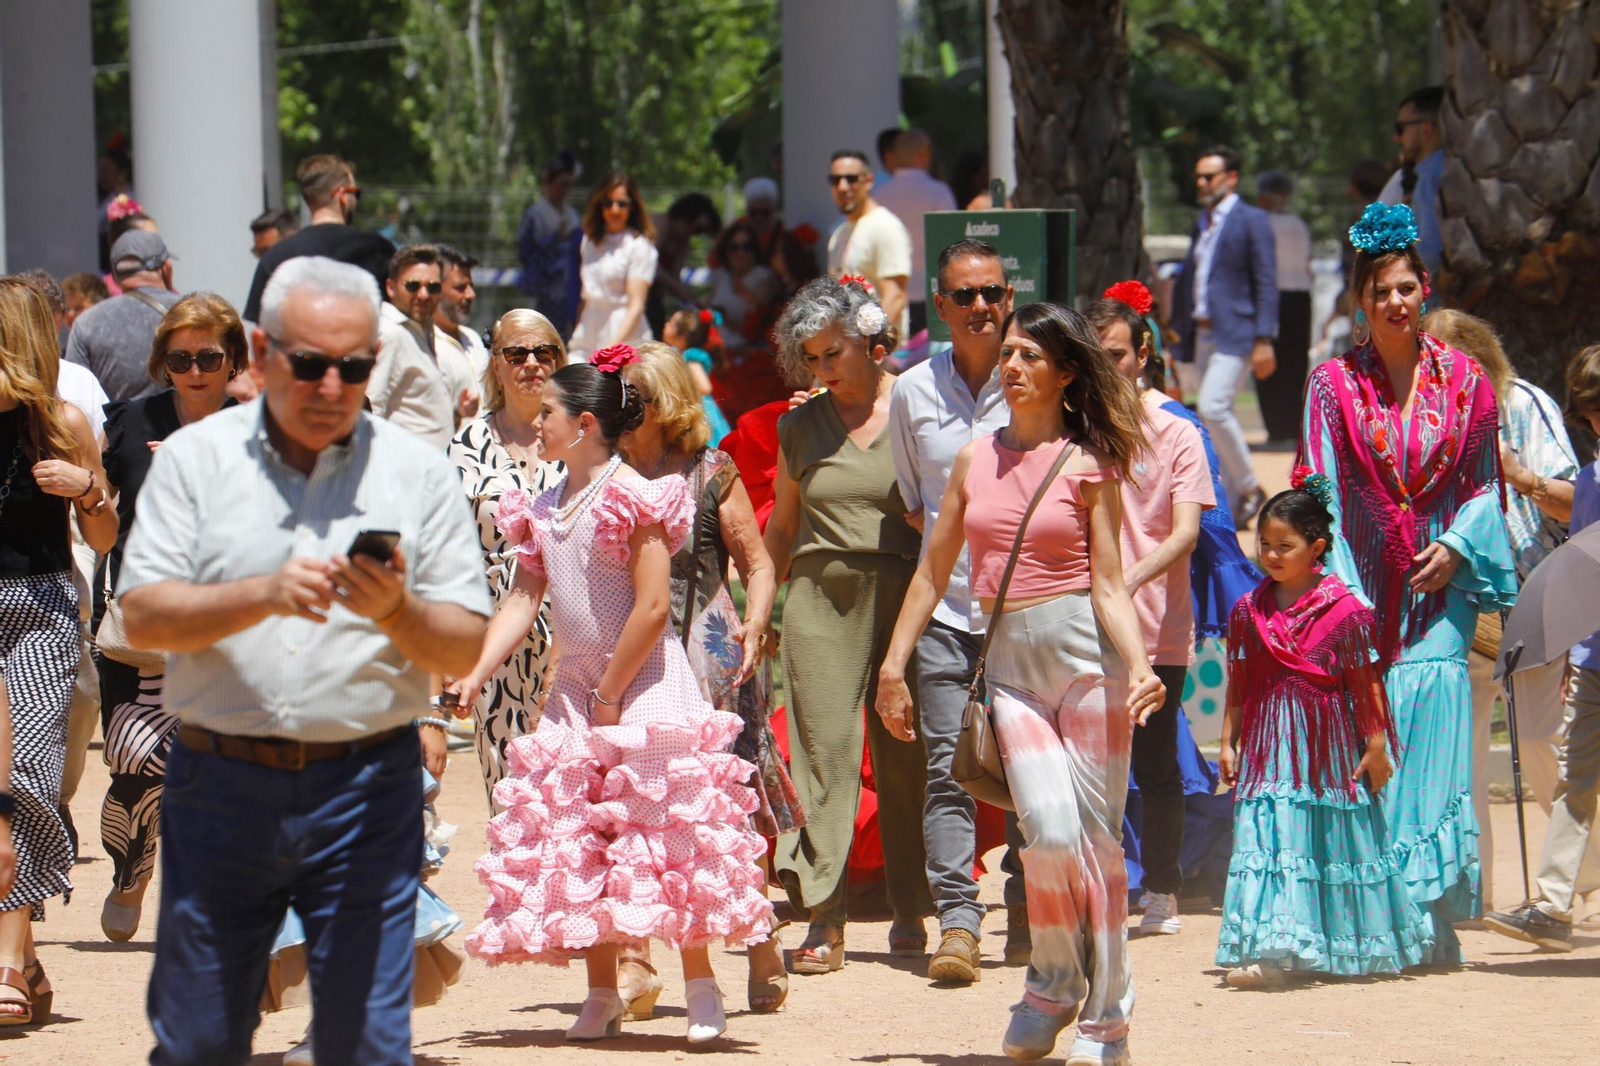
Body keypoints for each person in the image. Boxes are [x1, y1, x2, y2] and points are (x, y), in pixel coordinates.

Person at [118, 255, 490, 1064]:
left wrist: (397, 610)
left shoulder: (418, 472)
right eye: (310, 364)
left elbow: (465, 641)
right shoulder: (194, 460)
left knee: (363, 1043)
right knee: (200, 1039)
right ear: (260, 353)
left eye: (353, 368)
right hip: (219, 786)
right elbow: (142, 613)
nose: (331, 386)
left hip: (366, 788)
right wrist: (261, 594)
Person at [456, 352, 773, 1047]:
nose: (537, 424)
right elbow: (523, 596)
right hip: (576, 689)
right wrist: (477, 670)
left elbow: (654, 605)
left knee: (669, 831)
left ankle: (700, 985)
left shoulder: (636, 494)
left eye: (549, 414)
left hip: (647, 682)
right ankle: (600, 992)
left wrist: (610, 692)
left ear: (586, 423)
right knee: (579, 834)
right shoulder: (541, 505)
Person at [876, 302, 1163, 1064]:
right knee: (1049, 832)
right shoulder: (974, 459)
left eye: (1031, 356)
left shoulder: (1087, 463)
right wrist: (893, 664)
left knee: (1095, 844)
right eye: (1008, 353)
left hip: (1085, 660)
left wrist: (1138, 664)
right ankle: (1055, 982)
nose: (1013, 366)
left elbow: (1107, 584)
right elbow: (935, 570)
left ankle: (1108, 1018)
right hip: (1008, 667)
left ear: (1067, 374)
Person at [1299, 202, 1516, 966]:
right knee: (1373, 747)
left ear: (1425, 288)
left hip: (1440, 598)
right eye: (1379, 290)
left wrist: (1457, 546)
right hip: (1360, 592)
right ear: (1361, 300)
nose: (1394, 302)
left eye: (1405, 287)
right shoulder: (1332, 386)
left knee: (1429, 743)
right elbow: (1318, 485)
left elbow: (1488, 486)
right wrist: (1343, 593)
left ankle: (1425, 911)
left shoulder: (1467, 383)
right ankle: (1373, 914)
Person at [614, 340, 801, 1015]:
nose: (619, 409)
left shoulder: (711, 469)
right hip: (631, 651)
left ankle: (758, 941)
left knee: (728, 805)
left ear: (662, 403)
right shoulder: (606, 472)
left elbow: (756, 563)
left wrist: (755, 624)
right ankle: (637, 956)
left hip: (710, 653)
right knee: (634, 801)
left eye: (630, 397)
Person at [762, 277, 931, 970]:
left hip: (906, 593)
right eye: (811, 358)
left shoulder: (920, 408)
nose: (822, 369)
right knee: (825, 756)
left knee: (906, 756)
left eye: (833, 352)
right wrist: (758, 613)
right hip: (819, 599)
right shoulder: (798, 425)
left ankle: (912, 906)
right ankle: (823, 917)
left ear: (872, 344)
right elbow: (780, 527)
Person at [1216, 482, 1429, 987]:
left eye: (1283, 546)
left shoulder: (1347, 611)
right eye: (1264, 544)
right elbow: (1239, 682)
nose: (1270, 555)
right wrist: (1229, 740)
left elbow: (1365, 681)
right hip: (1269, 751)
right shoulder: (1249, 611)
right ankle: (1277, 952)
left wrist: (1376, 746)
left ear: (1316, 549)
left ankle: (1333, 948)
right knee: (1270, 834)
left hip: (1326, 752)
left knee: (1331, 840)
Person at [887, 239, 1028, 983]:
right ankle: (959, 928)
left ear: (1009, 297)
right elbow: (918, 507)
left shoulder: (1042, 382)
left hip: (1030, 614)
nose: (981, 307)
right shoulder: (910, 393)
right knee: (948, 773)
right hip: (945, 613)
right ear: (939, 306)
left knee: (1036, 775)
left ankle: (1032, 923)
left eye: (992, 293)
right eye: (965, 295)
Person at [1424, 308, 1591, 913]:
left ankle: (1589, 870)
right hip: (1455, 608)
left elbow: (1578, 506)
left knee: (1544, 740)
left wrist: (1520, 475)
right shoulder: (1415, 416)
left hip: (1536, 599)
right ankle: (1473, 894)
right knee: (1460, 761)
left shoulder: (1525, 404)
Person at [93, 293, 247, 943]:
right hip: (141, 627)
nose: (194, 368)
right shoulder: (130, 422)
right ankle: (133, 870)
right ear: (163, 361)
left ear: (232, 358)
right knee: (133, 765)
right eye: (180, 357)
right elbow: (101, 522)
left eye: (209, 355)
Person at [0, 278, 118, 1026]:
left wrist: (87, 492)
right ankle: (16, 959)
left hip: (40, 609)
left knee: (34, 776)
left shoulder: (65, 423)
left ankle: (16, 956)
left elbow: (105, 539)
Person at [1088, 292, 1216, 938]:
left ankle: (1163, 887)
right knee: (1091, 763)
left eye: (1116, 355)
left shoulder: (1178, 433)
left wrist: (1126, 579)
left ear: (1143, 354)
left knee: (1156, 762)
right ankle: (1105, 886)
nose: (1107, 368)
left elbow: (1186, 532)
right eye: (1095, 356)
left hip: (1159, 625)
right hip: (1084, 625)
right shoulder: (1073, 423)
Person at [1483, 344, 1600, 950]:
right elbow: (1585, 571)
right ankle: (1554, 907)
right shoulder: (1595, 479)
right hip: (1596, 659)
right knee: (1575, 777)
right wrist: (1575, 650)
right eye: (1592, 411)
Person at [445, 309, 562, 811]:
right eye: (517, 353)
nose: (531, 363)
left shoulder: (585, 436)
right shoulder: (466, 445)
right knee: (508, 782)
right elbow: (450, 551)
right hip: (496, 635)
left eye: (544, 352)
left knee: (577, 785)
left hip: (579, 633)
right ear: (496, 364)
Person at [1169, 145, 1279, 528]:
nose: (1201, 183)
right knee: (1215, 415)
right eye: (1198, 176)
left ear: (1231, 178)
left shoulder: (1252, 220)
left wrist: (1264, 337)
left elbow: (1266, 280)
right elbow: (1191, 280)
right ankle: (1234, 507)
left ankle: (1251, 489)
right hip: (1200, 335)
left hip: (1238, 331)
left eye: (1209, 176)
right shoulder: (1202, 221)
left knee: (1213, 407)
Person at [242, 154, 396, 323]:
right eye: (355, 193)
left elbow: (262, 327)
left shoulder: (276, 256)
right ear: (342, 195)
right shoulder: (377, 249)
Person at [370, 244, 477, 449]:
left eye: (433, 287)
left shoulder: (421, 329)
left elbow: (417, 410)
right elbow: (373, 407)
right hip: (404, 472)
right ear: (391, 287)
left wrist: (456, 413)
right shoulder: (391, 333)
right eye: (413, 286)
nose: (424, 295)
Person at [65, 230, 181, 402]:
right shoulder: (195, 313)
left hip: (116, 428)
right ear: (167, 268)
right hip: (190, 427)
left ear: (116, 277)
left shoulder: (86, 323)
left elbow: (76, 399)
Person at [569, 174, 659, 364]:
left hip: (624, 332)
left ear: (632, 206)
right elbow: (586, 297)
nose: (614, 210)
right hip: (589, 327)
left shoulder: (639, 245)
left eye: (622, 203)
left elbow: (636, 305)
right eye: (608, 203)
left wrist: (610, 350)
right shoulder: (589, 242)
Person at [874, 130, 958, 335]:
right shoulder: (938, 191)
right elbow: (953, 241)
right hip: (932, 292)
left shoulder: (879, 194)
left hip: (890, 294)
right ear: (923, 154)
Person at [825, 150, 913, 339]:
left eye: (851, 178)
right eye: (835, 180)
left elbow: (895, 296)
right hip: (849, 350)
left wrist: (871, 346)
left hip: (880, 355)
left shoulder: (885, 227)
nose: (842, 186)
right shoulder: (839, 232)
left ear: (869, 181)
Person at [1255, 171, 1313, 450]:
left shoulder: (1261, 222)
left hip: (1271, 295)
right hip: (1300, 296)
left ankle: (1276, 428)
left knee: (1268, 365)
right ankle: (1292, 427)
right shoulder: (1298, 223)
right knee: (1295, 362)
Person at [516, 152, 583, 339]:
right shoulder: (535, 215)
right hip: (543, 293)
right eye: (561, 184)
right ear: (549, 183)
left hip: (568, 292)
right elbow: (525, 252)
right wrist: (554, 239)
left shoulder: (572, 215)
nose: (564, 190)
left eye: (568, 185)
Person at [1381, 86, 1445, 276]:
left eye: (1401, 128)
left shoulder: (1430, 177)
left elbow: (1427, 255)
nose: (1396, 138)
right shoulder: (1441, 171)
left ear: (1426, 130)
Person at [647, 193, 722, 337]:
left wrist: (695, 303)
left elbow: (674, 281)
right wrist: (681, 291)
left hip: (654, 297)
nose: (694, 234)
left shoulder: (683, 242)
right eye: (696, 228)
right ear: (685, 215)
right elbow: (651, 266)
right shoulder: (661, 222)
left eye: (700, 232)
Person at [737, 177, 819, 295]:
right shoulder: (739, 234)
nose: (759, 218)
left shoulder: (788, 239)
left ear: (774, 212)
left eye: (765, 213)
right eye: (753, 213)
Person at [662, 309, 732, 445]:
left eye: (671, 324)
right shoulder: (678, 354)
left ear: (681, 338)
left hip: (701, 413)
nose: (666, 324)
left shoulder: (690, 357)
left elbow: (705, 388)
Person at [709, 220, 779, 349]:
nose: (740, 252)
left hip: (748, 353)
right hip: (718, 351)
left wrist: (724, 319)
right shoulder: (720, 276)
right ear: (726, 250)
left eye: (747, 246)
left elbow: (755, 330)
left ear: (755, 249)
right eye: (734, 247)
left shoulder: (763, 277)